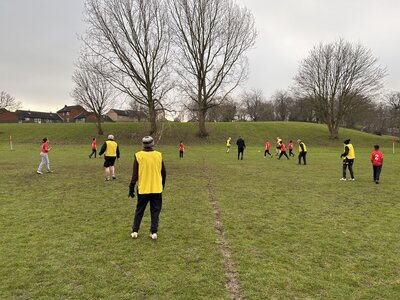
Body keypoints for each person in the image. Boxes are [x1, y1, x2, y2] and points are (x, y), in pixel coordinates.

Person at [129, 136, 166, 240]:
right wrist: (162, 184)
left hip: (143, 188)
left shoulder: (138, 156)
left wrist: (131, 187)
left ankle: (135, 231)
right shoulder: (158, 155)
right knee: (155, 210)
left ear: (143, 144)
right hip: (156, 188)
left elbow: (135, 175)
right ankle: (153, 232)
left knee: (139, 210)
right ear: (152, 144)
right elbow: (164, 172)